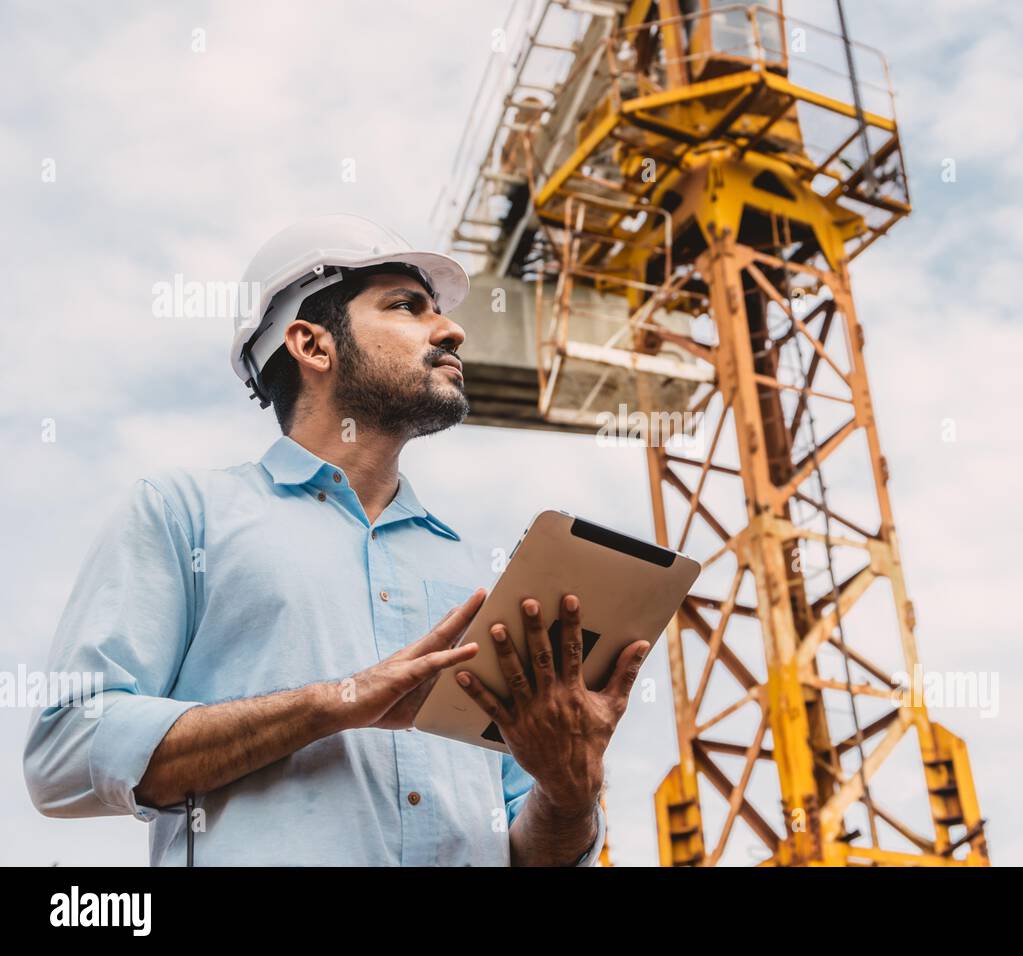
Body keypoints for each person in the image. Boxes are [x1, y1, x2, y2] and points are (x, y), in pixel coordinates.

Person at [23, 214, 649, 865]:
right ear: (312, 346)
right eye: (408, 307)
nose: (453, 330)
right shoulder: (185, 515)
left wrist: (568, 790)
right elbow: (66, 752)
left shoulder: (474, 576)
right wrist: (338, 702)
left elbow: (530, 851)